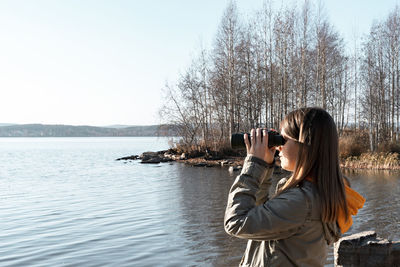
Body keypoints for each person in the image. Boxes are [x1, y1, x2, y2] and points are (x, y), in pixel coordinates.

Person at [224, 107, 365, 267]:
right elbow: (258, 216)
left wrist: (254, 164)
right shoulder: (314, 193)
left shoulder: (301, 202)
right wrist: (266, 168)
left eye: (282, 140)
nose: (278, 147)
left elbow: (236, 222)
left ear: (305, 146)